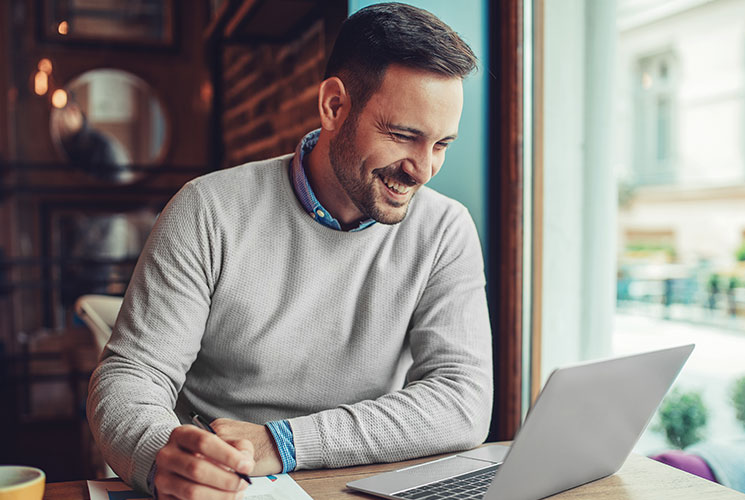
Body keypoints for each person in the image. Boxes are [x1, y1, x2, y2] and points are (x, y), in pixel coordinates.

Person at [86, 3, 493, 499]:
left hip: (362, 485)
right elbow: (132, 375)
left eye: (442, 144)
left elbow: (462, 399)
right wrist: (160, 453)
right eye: (404, 136)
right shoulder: (207, 209)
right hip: (226, 486)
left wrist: (283, 442)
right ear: (335, 106)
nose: (424, 170)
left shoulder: (446, 230)